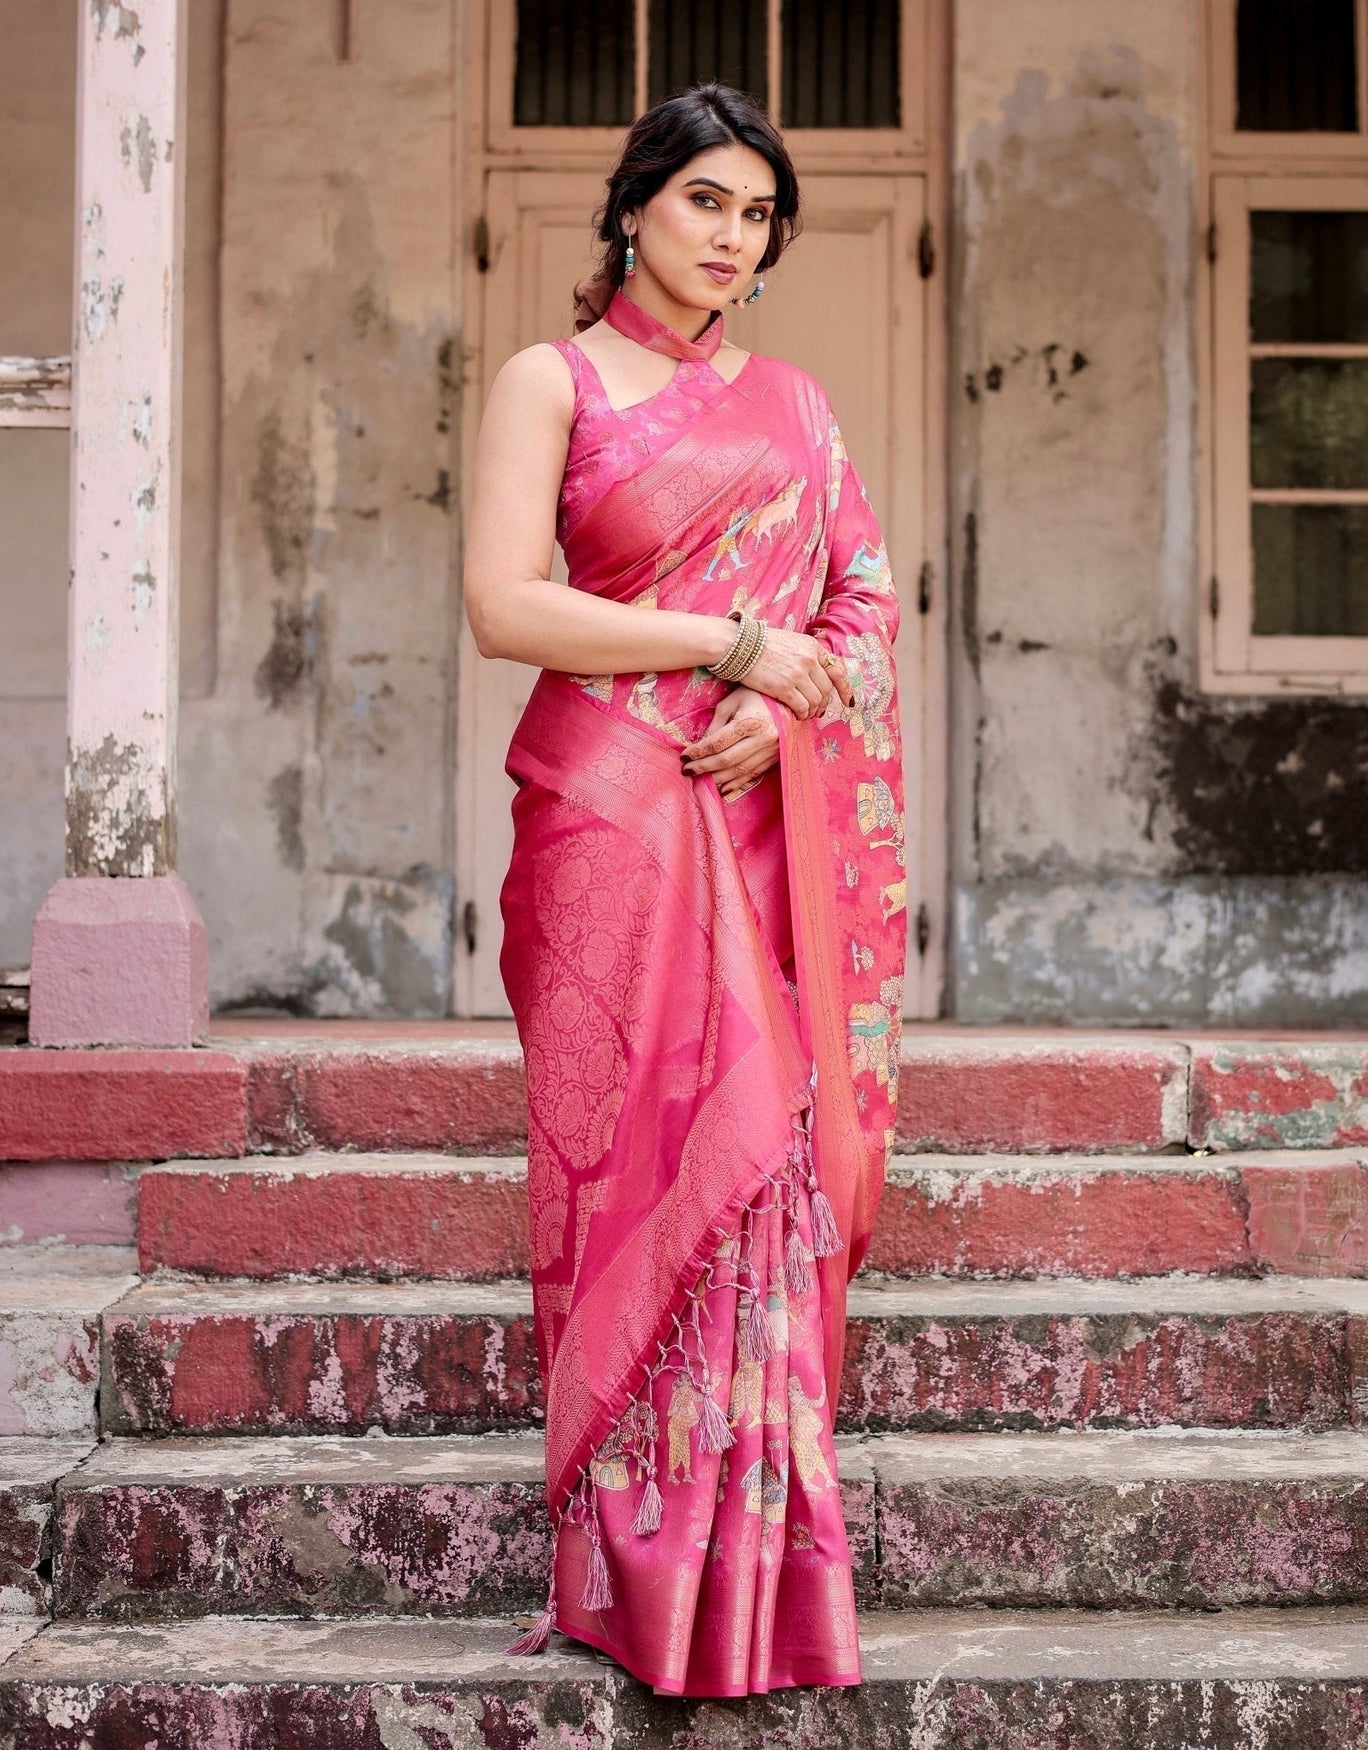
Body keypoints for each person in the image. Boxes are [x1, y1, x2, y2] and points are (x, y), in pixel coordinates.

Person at [463, 80, 906, 1699]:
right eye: (706, 199)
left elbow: (865, 607)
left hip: (760, 825)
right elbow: (506, 605)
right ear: (635, 203)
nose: (733, 235)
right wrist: (732, 642)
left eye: (758, 214)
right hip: (607, 823)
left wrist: (784, 706)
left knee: (768, 1164)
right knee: (639, 1173)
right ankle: (634, 1570)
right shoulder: (554, 380)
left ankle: (759, 1586)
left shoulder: (796, 408)